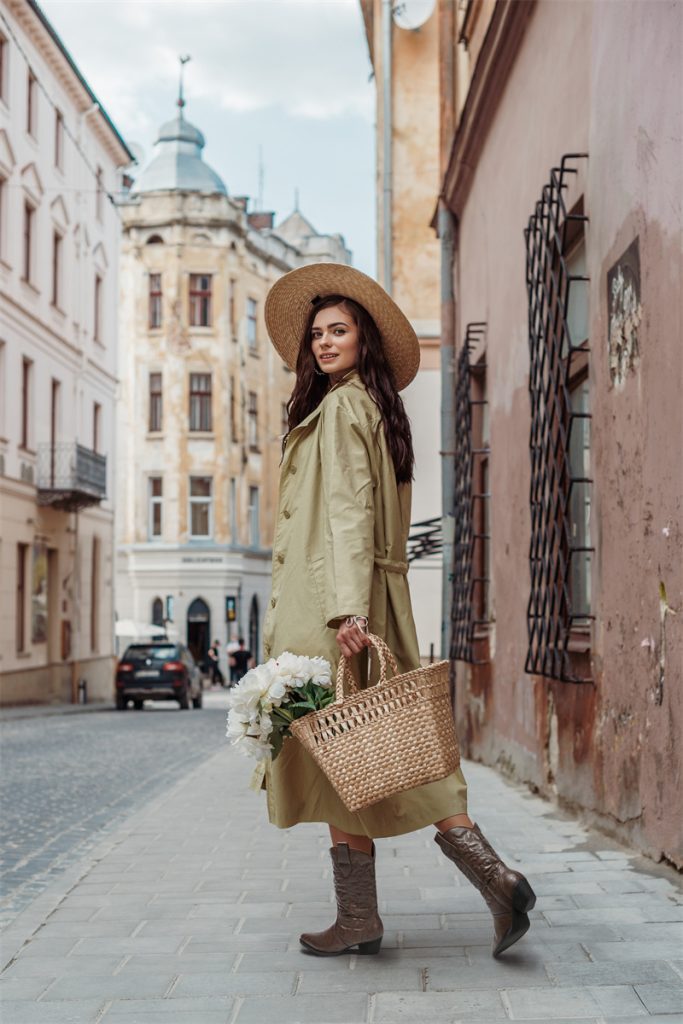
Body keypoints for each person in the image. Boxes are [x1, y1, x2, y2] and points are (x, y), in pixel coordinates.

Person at [261, 263, 536, 960]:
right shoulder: (359, 405)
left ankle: (488, 880)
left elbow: (349, 511)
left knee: (367, 748)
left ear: (363, 342)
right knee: (356, 753)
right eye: (316, 334)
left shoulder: (345, 407)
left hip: (335, 608)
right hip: (347, 600)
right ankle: (371, 914)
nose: (323, 343)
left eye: (338, 331)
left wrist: (346, 611)